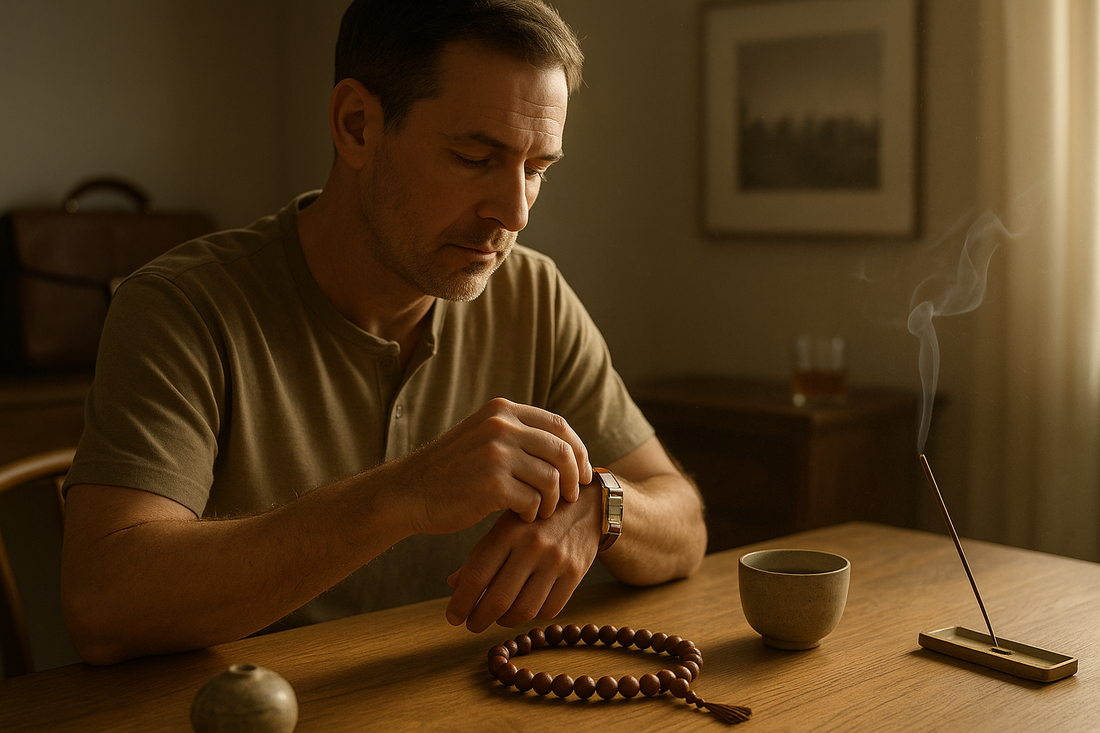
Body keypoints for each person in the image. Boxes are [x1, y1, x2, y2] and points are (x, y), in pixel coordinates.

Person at [60, 0, 706, 667]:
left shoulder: (534, 294)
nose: (513, 212)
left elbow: (684, 521)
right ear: (356, 125)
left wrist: (604, 503)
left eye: (538, 168)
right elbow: (104, 604)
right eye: (474, 156)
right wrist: (403, 494)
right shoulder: (181, 306)